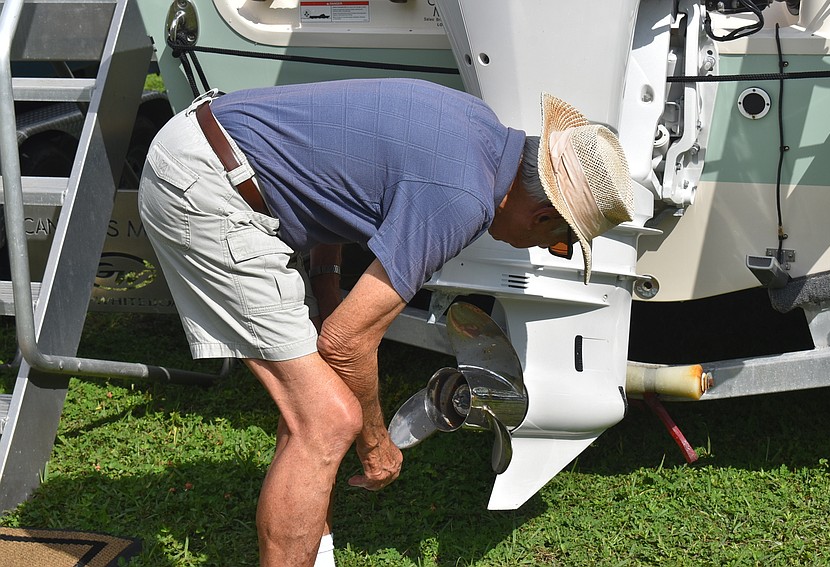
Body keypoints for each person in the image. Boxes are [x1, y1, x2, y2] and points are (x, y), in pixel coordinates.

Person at [137, 78, 633, 567]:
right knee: (330, 420)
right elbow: (347, 343)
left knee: (314, 401)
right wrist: (377, 445)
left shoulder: (476, 125)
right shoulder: (463, 200)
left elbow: (337, 175)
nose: (550, 250)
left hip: (215, 147)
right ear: (545, 215)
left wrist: (327, 283)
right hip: (206, 187)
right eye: (562, 242)